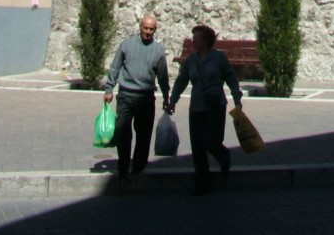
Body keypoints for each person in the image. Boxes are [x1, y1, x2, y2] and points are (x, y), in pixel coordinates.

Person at [166, 24, 243, 194]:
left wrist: (237, 98)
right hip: (196, 107)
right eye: (193, 38)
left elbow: (230, 76)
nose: (194, 41)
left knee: (211, 141)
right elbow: (181, 81)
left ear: (206, 40)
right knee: (197, 147)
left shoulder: (219, 58)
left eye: (197, 38)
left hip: (215, 105)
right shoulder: (191, 61)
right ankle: (202, 182)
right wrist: (173, 100)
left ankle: (223, 156)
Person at [103, 13, 170, 177]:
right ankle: (123, 166)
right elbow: (115, 66)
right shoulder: (127, 44)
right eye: (145, 28)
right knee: (122, 132)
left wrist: (166, 97)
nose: (148, 32)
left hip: (146, 97)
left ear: (155, 31)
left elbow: (162, 76)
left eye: (151, 29)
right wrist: (109, 89)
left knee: (144, 134)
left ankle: (138, 167)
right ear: (140, 28)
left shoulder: (158, 50)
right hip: (126, 95)